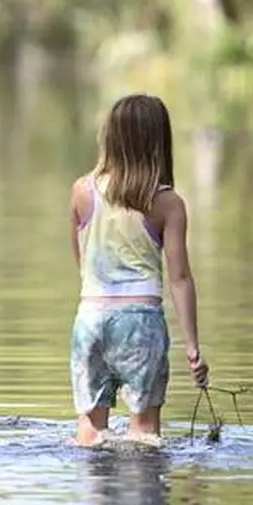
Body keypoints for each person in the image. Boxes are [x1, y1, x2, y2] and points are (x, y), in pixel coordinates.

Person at [69, 93, 210, 445]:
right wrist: (192, 346)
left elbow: (82, 264)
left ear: (110, 137)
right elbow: (179, 278)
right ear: (159, 141)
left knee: (89, 432)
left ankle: (93, 496)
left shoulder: (82, 191)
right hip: (140, 322)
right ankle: (144, 497)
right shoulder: (167, 203)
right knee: (144, 435)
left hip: (90, 317)